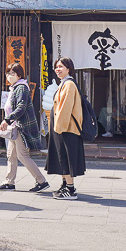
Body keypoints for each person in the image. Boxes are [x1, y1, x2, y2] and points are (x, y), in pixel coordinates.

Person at [0, 62, 48, 193]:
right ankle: (9, 182)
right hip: (14, 127)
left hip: (20, 127)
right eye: (8, 73)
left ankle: (41, 181)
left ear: (19, 75)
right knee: (11, 155)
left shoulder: (21, 88)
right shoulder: (15, 88)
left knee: (22, 155)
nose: (9, 76)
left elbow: (21, 108)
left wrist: (7, 119)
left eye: (12, 73)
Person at [46, 56, 85, 200]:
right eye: (56, 67)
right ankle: (64, 186)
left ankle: (70, 189)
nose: (58, 69)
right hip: (62, 128)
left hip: (66, 129)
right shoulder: (64, 83)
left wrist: (58, 128)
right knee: (62, 159)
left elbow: (66, 108)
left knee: (67, 159)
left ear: (69, 69)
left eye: (61, 66)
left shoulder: (69, 84)